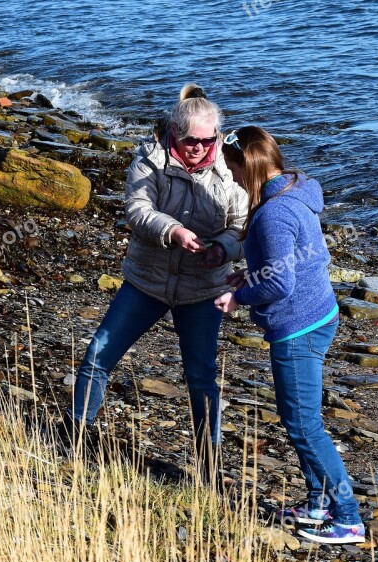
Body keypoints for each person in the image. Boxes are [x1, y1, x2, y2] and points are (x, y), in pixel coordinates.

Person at [67, 84, 248, 484]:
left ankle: (209, 469)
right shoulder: (148, 161)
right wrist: (174, 232)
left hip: (202, 290)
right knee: (98, 354)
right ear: (174, 133)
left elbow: (241, 228)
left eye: (208, 140)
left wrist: (222, 248)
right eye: (191, 141)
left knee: (201, 377)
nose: (200, 148)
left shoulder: (232, 172)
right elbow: (136, 210)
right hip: (146, 283)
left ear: (217, 136)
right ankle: (75, 437)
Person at [214, 127, 365, 545]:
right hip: (321, 312)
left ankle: (348, 517)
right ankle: (317, 502)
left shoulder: (273, 213)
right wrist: (251, 272)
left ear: (250, 166)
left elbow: (279, 286)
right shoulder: (297, 192)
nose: (233, 179)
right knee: (299, 419)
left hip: (298, 326)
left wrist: (238, 297)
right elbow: (302, 257)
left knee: (303, 426)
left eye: (233, 170)